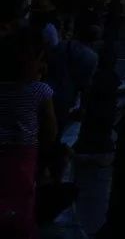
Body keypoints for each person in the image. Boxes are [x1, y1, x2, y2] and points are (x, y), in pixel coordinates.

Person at [0, 28, 57, 238]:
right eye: (40, 60)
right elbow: (50, 128)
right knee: (21, 195)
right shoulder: (40, 91)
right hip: (23, 152)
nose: (43, 66)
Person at [44, 20, 98, 137]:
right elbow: (85, 85)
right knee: (58, 128)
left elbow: (49, 62)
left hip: (48, 87)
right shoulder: (91, 57)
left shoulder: (63, 45)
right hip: (67, 95)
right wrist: (83, 107)